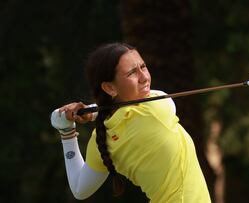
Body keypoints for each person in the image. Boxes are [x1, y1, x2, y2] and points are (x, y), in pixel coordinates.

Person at [50, 42, 211, 202]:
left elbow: (80, 188)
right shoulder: (156, 109)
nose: (144, 77)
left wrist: (67, 132)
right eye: (132, 73)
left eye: (143, 67)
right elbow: (162, 96)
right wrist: (94, 112)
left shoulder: (101, 140)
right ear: (109, 88)